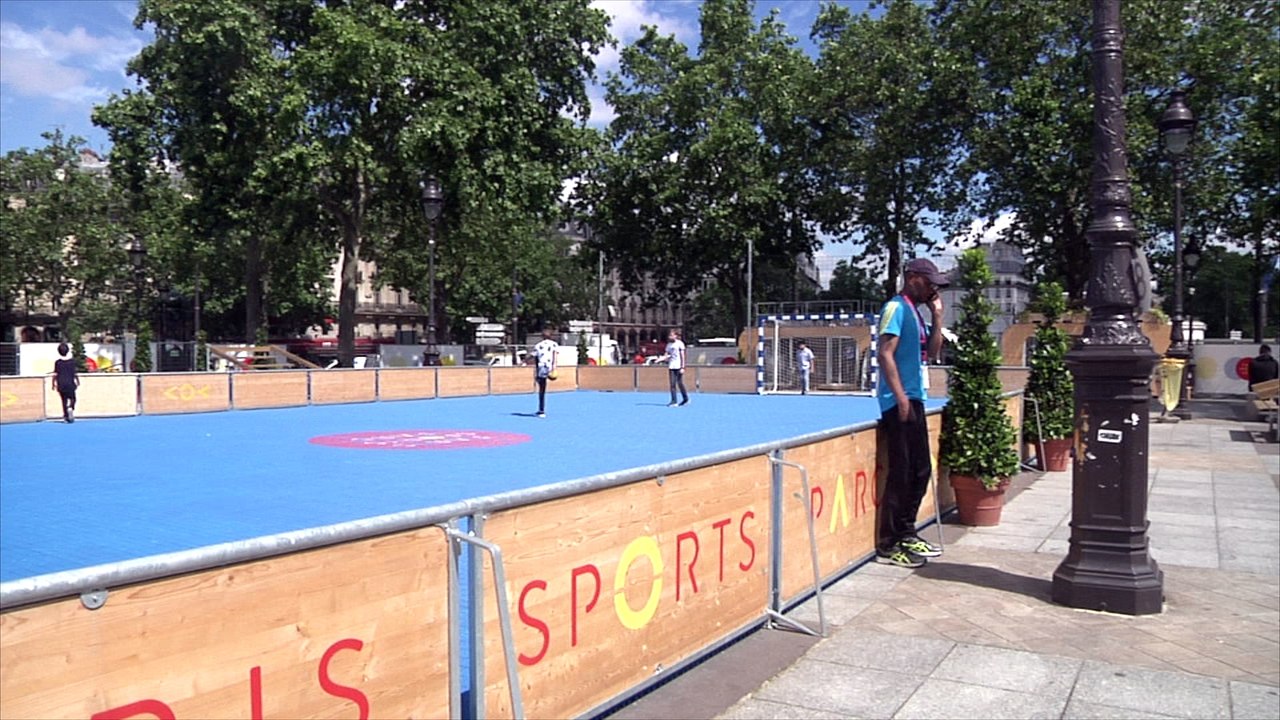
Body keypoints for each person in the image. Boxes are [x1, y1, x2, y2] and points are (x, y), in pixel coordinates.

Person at [875, 258, 949, 568]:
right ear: (913, 278)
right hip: (899, 401)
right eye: (929, 282)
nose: (933, 289)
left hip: (916, 397)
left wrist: (937, 316)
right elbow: (885, 354)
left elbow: (932, 352)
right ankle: (889, 543)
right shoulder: (895, 307)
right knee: (902, 472)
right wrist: (900, 397)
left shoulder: (916, 313)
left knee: (921, 470)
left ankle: (906, 532)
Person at [532, 329, 559, 418]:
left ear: (542, 336)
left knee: (542, 389)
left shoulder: (538, 345)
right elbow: (555, 357)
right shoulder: (554, 344)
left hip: (541, 367)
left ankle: (541, 410)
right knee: (543, 387)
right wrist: (554, 368)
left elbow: (535, 358)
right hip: (549, 366)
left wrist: (536, 372)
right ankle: (541, 410)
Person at [51, 342, 80, 423]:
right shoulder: (72, 362)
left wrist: (53, 384)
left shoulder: (58, 362)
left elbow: (55, 374)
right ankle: (71, 407)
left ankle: (66, 417)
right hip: (70, 383)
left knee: (64, 400)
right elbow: (74, 373)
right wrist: (78, 381)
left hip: (61, 383)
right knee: (73, 398)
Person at [660, 329, 689, 407]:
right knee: (672, 384)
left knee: (680, 383)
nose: (670, 337)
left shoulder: (680, 344)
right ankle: (674, 401)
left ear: (675, 336)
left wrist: (683, 367)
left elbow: (682, 356)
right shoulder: (668, 345)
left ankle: (685, 399)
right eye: (669, 335)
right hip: (671, 366)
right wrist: (662, 359)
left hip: (678, 366)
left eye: (671, 335)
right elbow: (666, 355)